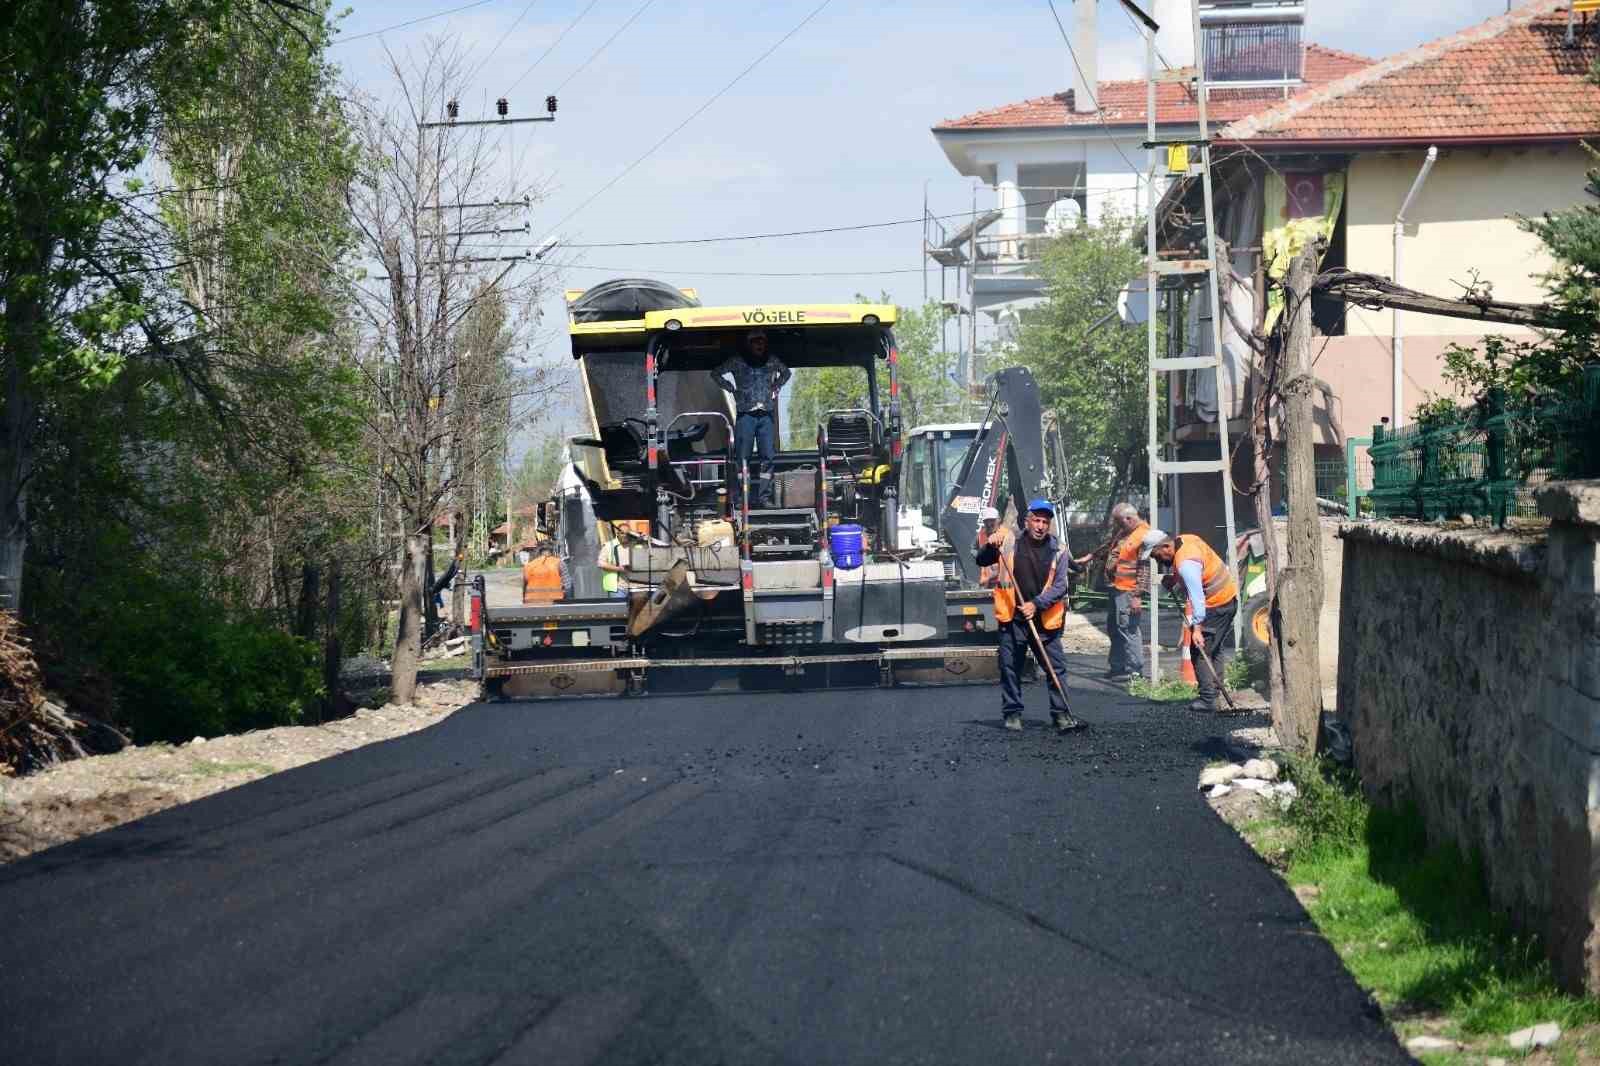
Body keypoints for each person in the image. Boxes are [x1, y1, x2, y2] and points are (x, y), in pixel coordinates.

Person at [973, 498, 1087, 733]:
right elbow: (981, 560)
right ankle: (1012, 713)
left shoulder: (1060, 549)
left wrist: (1036, 604)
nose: (1040, 526)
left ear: (1049, 524)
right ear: (1027, 521)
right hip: (1012, 618)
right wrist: (990, 545)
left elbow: (1060, 587)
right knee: (1010, 667)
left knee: (1056, 668)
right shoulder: (1009, 542)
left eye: (1045, 521)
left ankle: (1061, 714)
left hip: (1045, 620)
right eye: (1036, 520)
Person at [1139, 529, 1239, 714]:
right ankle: (1215, 694)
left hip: (1215, 604)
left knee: (1199, 649)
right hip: (1227, 599)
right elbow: (1198, 570)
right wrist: (1175, 580)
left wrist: (1198, 628)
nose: (1156, 560)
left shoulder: (1185, 563)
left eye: (1156, 555)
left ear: (1166, 546)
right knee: (1213, 648)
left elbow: (1197, 596)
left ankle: (1209, 699)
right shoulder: (1186, 540)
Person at [712, 329, 790, 509]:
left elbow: (786, 373)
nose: (759, 345)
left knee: (768, 457)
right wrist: (729, 387)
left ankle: (764, 497)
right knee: (742, 457)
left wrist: (776, 386)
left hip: (766, 415)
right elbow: (715, 373)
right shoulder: (737, 361)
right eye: (755, 341)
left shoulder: (771, 360)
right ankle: (741, 498)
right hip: (745, 415)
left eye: (761, 341)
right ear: (748, 344)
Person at [1103, 502, 1150, 682]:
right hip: (1116, 587)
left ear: (1129, 519)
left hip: (1129, 591)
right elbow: (1111, 547)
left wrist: (1137, 595)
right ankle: (1117, 667)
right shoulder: (1126, 531)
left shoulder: (1144, 535)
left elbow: (1145, 568)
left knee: (1128, 628)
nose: (1118, 527)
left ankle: (1136, 670)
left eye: (1119, 523)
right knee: (1114, 628)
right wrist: (1091, 556)